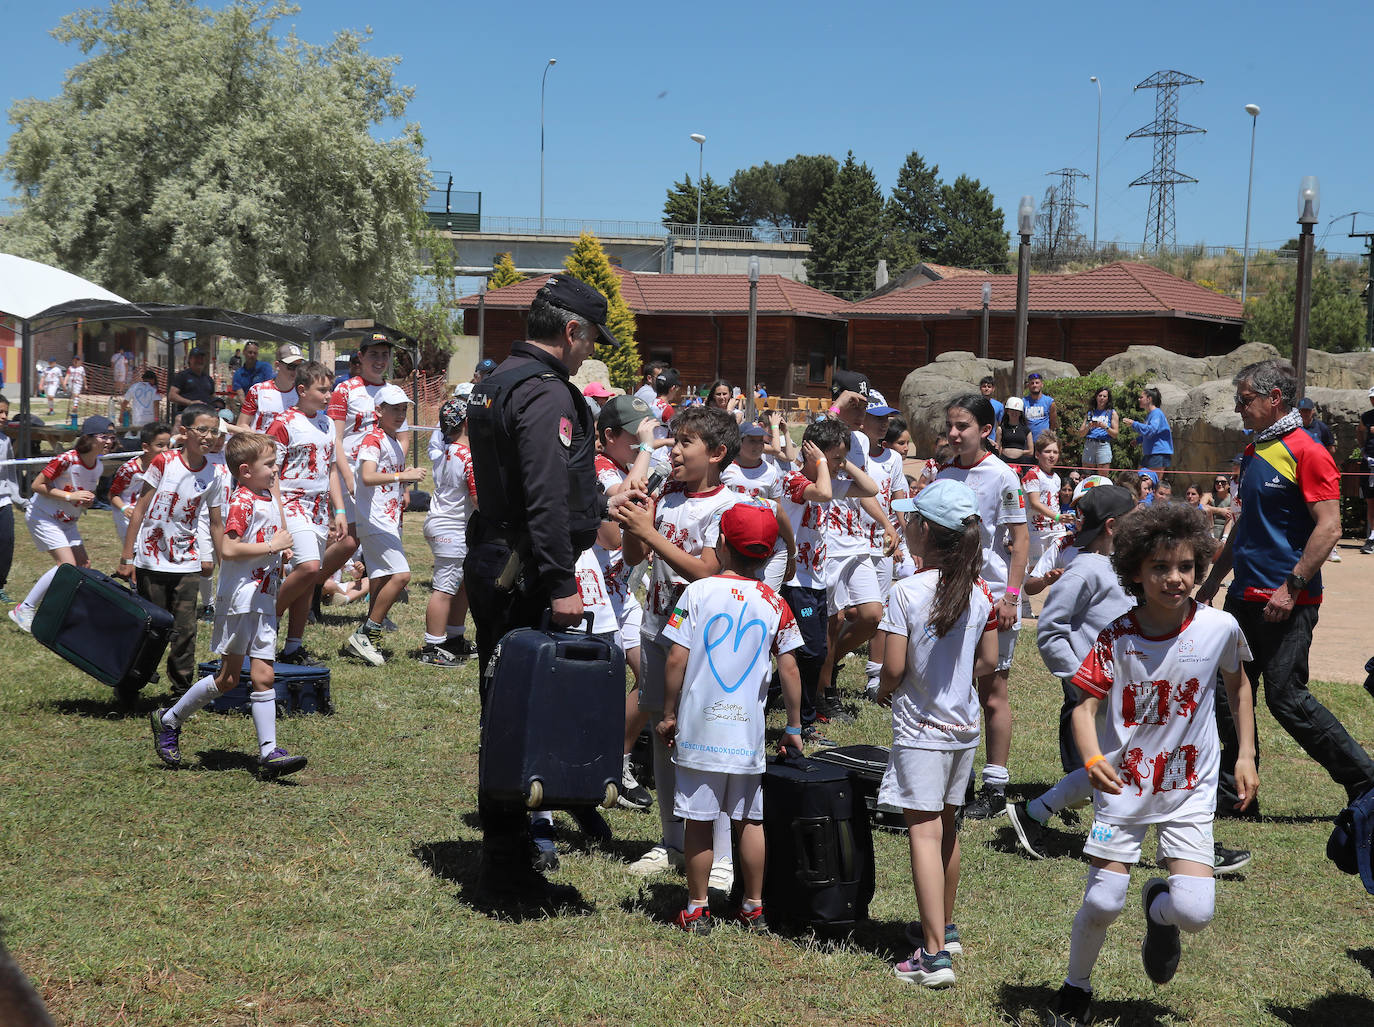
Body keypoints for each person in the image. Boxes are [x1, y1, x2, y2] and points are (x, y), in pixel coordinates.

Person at [463, 274, 638, 905]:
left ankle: (506, 852)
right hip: (526, 567)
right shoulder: (544, 393)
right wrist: (563, 580)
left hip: (498, 552)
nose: (592, 350)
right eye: (591, 337)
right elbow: (541, 488)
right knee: (521, 707)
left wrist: (602, 500)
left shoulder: (500, 379)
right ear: (570, 331)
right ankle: (507, 868)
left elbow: (544, 480)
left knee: (505, 698)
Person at [1048, 502, 1258, 1026]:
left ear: (1200, 568)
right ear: (1135, 572)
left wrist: (1248, 754)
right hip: (1124, 785)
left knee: (1195, 913)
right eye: (1160, 568)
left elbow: (1238, 681)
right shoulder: (1117, 636)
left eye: (1185, 567)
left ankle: (1159, 905)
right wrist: (1092, 756)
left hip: (1189, 786)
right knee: (1102, 901)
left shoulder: (1220, 627)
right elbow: (1084, 706)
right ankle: (1076, 991)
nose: (1174, 578)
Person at [1197, 358, 1374, 816]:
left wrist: (1290, 588)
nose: (1239, 407)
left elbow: (1330, 528)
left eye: (1246, 399)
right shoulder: (1255, 452)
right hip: (1242, 598)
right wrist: (1213, 582)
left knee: (1286, 698)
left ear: (1275, 399)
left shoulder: (1309, 450)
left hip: (1287, 603)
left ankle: (1366, 782)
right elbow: (1245, 527)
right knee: (1225, 694)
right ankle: (1235, 798)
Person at [615, 405, 748, 883]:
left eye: (684, 443)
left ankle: (721, 852)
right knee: (661, 732)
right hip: (657, 627)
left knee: (705, 740)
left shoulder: (727, 506)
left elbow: (708, 571)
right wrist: (637, 525)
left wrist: (650, 532)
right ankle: (672, 839)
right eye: (673, 441)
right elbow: (636, 553)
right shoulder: (665, 493)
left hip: (703, 641)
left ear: (715, 454)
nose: (673, 450)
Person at [657, 503, 804, 933]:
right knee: (749, 820)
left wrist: (668, 713)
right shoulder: (775, 603)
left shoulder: (696, 593)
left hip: (699, 730)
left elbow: (675, 660)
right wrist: (793, 726)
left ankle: (698, 907)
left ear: (720, 543)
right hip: (747, 736)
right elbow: (791, 668)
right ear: (770, 553)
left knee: (699, 822)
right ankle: (754, 906)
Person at [876, 479, 997, 988]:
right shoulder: (980, 593)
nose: (904, 524)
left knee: (922, 834)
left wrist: (883, 688)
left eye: (910, 519)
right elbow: (988, 663)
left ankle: (931, 958)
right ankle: (944, 930)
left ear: (924, 530)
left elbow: (894, 667)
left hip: (920, 731)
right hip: (964, 731)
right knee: (947, 831)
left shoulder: (905, 591)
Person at [149, 431, 307, 777]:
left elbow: (266, 532)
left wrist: (280, 547)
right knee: (229, 678)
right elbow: (229, 550)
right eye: (269, 464)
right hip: (241, 599)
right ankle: (169, 718)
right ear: (246, 471)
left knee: (264, 675)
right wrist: (271, 546)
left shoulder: (265, 495)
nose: (276, 469)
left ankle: (269, 754)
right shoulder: (242, 501)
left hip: (264, 597)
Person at [935, 395, 1028, 819]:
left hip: (991, 596)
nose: (953, 434)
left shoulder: (1003, 476)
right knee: (956, 688)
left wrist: (1011, 595)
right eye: (950, 426)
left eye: (962, 427)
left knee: (992, 692)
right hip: (950, 593)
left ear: (986, 431)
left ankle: (994, 786)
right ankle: (959, 778)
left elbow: (1020, 540)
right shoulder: (944, 470)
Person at [117, 405, 225, 697]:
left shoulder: (215, 475)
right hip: (151, 561)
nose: (209, 436)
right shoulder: (164, 462)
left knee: (185, 631)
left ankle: (181, 693)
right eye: (202, 429)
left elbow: (215, 523)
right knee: (151, 629)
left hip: (186, 563)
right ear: (185, 432)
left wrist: (222, 559)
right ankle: (130, 686)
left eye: (214, 430)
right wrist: (128, 557)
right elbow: (139, 510)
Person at [593, 395, 658, 809]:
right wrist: (649, 450)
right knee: (597, 687)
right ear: (608, 436)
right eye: (634, 438)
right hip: (594, 594)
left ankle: (619, 759)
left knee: (653, 680)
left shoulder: (624, 462)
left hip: (622, 593)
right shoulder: (599, 466)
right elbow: (629, 497)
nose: (640, 445)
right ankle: (600, 767)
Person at [341, 384, 427, 666]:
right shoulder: (373, 439)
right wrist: (403, 476)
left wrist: (401, 486)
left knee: (380, 577)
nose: (401, 414)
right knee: (401, 576)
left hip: (387, 518)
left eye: (404, 409)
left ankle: (368, 638)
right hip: (375, 518)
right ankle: (368, 633)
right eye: (394, 409)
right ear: (378, 411)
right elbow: (367, 476)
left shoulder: (391, 440)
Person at [266, 361, 345, 665]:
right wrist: (280, 518)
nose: (328, 395)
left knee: (306, 580)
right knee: (310, 568)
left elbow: (332, 470)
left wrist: (338, 509)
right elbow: (271, 474)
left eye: (330, 389)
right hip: (290, 504)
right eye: (322, 389)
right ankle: (267, 617)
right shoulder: (283, 423)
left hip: (319, 509)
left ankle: (292, 647)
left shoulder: (326, 424)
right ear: (302, 390)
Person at [9, 416, 118, 632]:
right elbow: (37, 485)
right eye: (104, 436)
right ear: (88, 437)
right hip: (44, 515)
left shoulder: (97, 466)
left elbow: (81, 493)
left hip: (67, 521)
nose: (109, 441)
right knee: (66, 566)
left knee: (83, 566)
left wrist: (85, 500)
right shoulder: (67, 459)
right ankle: (24, 609)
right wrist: (70, 497)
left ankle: (67, 612)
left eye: (112, 437)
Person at [778, 422, 847, 746]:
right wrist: (820, 461)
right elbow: (825, 493)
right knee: (810, 651)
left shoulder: (825, 475)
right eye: (835, 458)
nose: (838, 465)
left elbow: (870, 489)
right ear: (813, 452)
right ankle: (801, 719)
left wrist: (840, 462)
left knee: (814, 653)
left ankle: (793, 708)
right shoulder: (795, 479)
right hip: (796, 581)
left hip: (816, 581)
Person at [323, 333, 396, 596]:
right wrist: (349, 478)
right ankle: (313, 587)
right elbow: (336, 440)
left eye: (384, 355)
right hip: (352, 473)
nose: (380, 360)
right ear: (361, 357)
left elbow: (401, 437)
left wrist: (402, 482)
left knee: (380, 541)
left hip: (383, 478)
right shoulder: (345, 390)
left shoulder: (393, 392)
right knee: (350, 541)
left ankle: (377, 609)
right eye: (374, 354)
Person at [419, 397, 477, 666]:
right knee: (444, 588)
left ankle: (454, 638)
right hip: (451, 527)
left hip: (443, 523)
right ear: (467, 423)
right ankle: (433, 646)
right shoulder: (468, 456)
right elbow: (479, 500)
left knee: (461, 585)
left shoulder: (447, 450)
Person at [110, 422, 172, 545]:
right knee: (135, 554)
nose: (165, 449)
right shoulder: (129, 469)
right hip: (129, 516)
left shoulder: (168, 465)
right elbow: (112, 495)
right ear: (145, 447)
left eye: (168, 445)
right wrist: (124, 508)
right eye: (160, 445)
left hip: (151, 517)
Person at [237, 343, 304, 433]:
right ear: (277, 365)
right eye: (291, 366)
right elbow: (242, 424)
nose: (295, 371)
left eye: (299, 367)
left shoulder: (303, 393)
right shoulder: (257, 391)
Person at [1122, 386, 1173, 471]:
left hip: (1158, 453)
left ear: (1149, 399)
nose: (1139, 399)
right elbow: (1153, 433)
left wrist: (1133, 423)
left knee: (1152, 480)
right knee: (1141, 476)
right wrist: (1138, 440)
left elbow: (1151, 430)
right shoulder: (1150, 415)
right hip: (1151, 453)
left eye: (1141, 397)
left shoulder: (1156, 413)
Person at [0, 398, 18, 606]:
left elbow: (10, 473)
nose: (4, 417)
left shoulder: (5, 441)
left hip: (3, 499)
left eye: (6, 412)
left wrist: (17, 497)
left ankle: (0, 585)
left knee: (5, 543)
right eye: (0, 412)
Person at [1077, 387, 1119, 472]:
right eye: (1100, 396)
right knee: (1087, 474)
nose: (1102, 398)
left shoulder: (1112, 413)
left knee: (1103, 474)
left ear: (1108, 399)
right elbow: (1081, 433)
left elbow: (1115, 434)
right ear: (1096, 397)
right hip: (1089, 443)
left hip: (1103, 445)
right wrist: (1089, 426)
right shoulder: (1090, 412)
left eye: (1104, 396)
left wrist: (1105, 427)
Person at [167, 349, 217, 414]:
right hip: (187, 414)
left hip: (205, 415)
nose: (199, 361)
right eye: (196, 358)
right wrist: (190, 403)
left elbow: (212, 397)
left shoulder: (208, 378)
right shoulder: (182, 376)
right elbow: (172, 396)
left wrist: (215, 405)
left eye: (201, 358)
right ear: (190, 360)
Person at [231, 342, 274, 409]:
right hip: (248, 409)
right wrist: (249, 410)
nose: (252, 355)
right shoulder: (238, 374)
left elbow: (270, 389)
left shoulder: (265, 367)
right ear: (244, 352)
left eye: (255, 353)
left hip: (266, 406)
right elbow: (241, 395)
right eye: (250, 352)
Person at [1022, 372, 1057, 441]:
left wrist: (1049, 436)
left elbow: (1053, 422)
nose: (1034, 385)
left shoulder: (1049, 402)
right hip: (1028, 442)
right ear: (1028, 386)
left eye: (1037, 383)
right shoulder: (1023, 402)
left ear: (1042, 385)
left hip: (1043, 441)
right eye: (1032, 383)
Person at [997, 397, 1031, 468]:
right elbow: (997, 448)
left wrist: (1020, 452)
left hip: (1021, 463)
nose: (1014, 413)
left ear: (1020, 413)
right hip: (1004, 463)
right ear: (1007, 411)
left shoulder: (1026, 430)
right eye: (1012, 410)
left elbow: (1031, 451)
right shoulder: (1001, 429)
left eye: (1017, 410)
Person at [1360, 386, 1374, 555]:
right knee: (1370, 500)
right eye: (1371, 397)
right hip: (1370, 462)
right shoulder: (1367, 416)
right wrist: (1362, 448)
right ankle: (1372, 535)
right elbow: (1359, 430)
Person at [979, 377, 1003, 447]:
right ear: (980, 388)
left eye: (989, 387)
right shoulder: (975, 403)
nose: (986, 389)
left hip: (992, 440)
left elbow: (1000, 426)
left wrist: (998, 443)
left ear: (993, 389)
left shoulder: (999, 405)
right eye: (984, 386)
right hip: (977, 439)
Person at [63, 355, 86, 420]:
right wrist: (65, 383)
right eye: (74, 360)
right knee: (73, 395)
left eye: (77, 360)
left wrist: (85, 384)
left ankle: (75, 407)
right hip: (71, 383)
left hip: (78, 383)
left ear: (79, 361)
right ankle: (75, 405)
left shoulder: (81, 368)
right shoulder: (70, 368)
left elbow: (84, 377)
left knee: (76, 394)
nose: (76, 362)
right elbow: (67, 376)